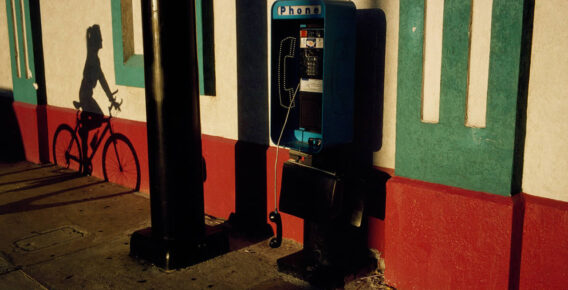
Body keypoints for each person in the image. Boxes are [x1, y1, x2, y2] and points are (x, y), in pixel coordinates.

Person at [75, 24, 121, 175]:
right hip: (85, 95)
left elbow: (102, 79)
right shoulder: (92, 58)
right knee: (99, 118)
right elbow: (100, 79)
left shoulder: (95, 58)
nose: (102, 42)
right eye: (100, 39)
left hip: (87, 94)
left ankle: (85, 136)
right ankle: (84, 132)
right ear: (95, 41)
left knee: (94, 121)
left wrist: (111, 98)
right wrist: (110, 98)